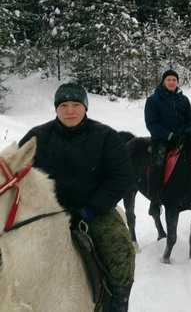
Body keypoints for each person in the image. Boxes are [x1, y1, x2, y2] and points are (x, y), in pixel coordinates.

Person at [19, 83, 135, 311]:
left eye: (76, 105)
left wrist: (91, 209)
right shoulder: (37, 136)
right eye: (64, 105)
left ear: (85, 108)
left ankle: (117, 304)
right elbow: (20, 173)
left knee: (120, 249)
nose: (70, 110)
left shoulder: (106, 137)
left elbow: (121, 178)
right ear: (56, 109)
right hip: (44, 213)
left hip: (93, 212)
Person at [144, 69, 191, 215]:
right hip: (162, 140)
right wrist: (170, 136)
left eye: (174, 80)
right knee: (158, 164)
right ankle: (155, 201)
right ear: (163, 81)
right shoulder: (153, 100)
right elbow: (152, 124)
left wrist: (188, 132)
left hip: (183, 138)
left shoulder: (183, 99)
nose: (172, 82)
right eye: (169, 80)